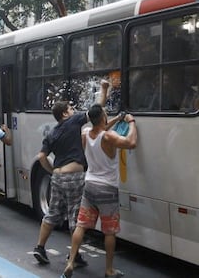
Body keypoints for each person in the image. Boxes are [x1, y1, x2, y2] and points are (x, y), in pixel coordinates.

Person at [32, 81, 113, 266]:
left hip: (58, 177)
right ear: (65, 114)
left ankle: (40, 247)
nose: (73, 109)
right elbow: (97, 109)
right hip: (74, 177)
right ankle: (74, 256)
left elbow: (41, 156)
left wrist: (52, 171)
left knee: (52, 214)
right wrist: (104, 89)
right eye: (70, 108)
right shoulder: (74, 121)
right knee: (75, 216)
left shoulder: (52, 133)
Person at [61, 104, 137, 278]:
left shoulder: (85, 133)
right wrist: (131, 122)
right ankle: (109, 270)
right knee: (109, 231)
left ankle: (71, 261)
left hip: (90, 186)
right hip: (107, 189)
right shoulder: (109, 137)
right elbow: (131, 143)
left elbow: (100, 128)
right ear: (103, 117)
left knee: (81, 225)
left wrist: (117, 119)